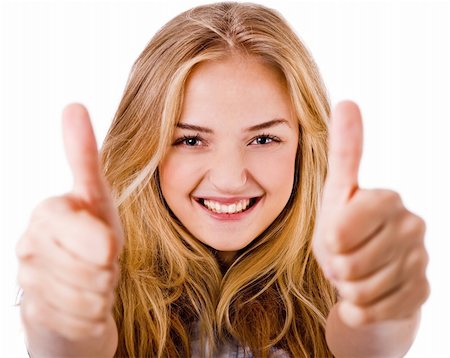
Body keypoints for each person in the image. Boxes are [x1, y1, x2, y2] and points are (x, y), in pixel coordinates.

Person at [16, 2, 429, 357]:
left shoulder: (344, 270)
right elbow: (71, 344)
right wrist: (62, 321)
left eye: (264, 138)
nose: (231, 179)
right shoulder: (93, 276)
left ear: (304, 145)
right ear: (145, 144)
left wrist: (381, 311)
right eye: (191, 139)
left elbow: (366, 342)